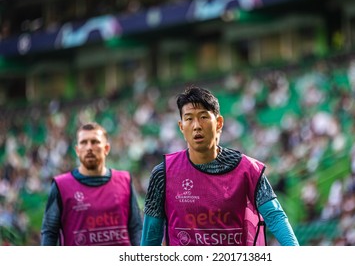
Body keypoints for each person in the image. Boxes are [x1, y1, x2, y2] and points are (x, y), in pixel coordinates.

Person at [141, 85, 299, 246]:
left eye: (203, 117)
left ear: (219, 123)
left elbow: (275, 216)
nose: (196, 126)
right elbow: (151, 237)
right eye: (189, 118)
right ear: (181, 126)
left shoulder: (248, 169)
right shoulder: (163, 174)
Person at [41, 122, 142, 246]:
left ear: (106, 148)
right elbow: (49, 233)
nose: (89, 147)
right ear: (77, 150)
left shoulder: (125, 181)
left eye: (95, 142)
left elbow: (136, 228)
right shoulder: (61, 186)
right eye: (84, 142)